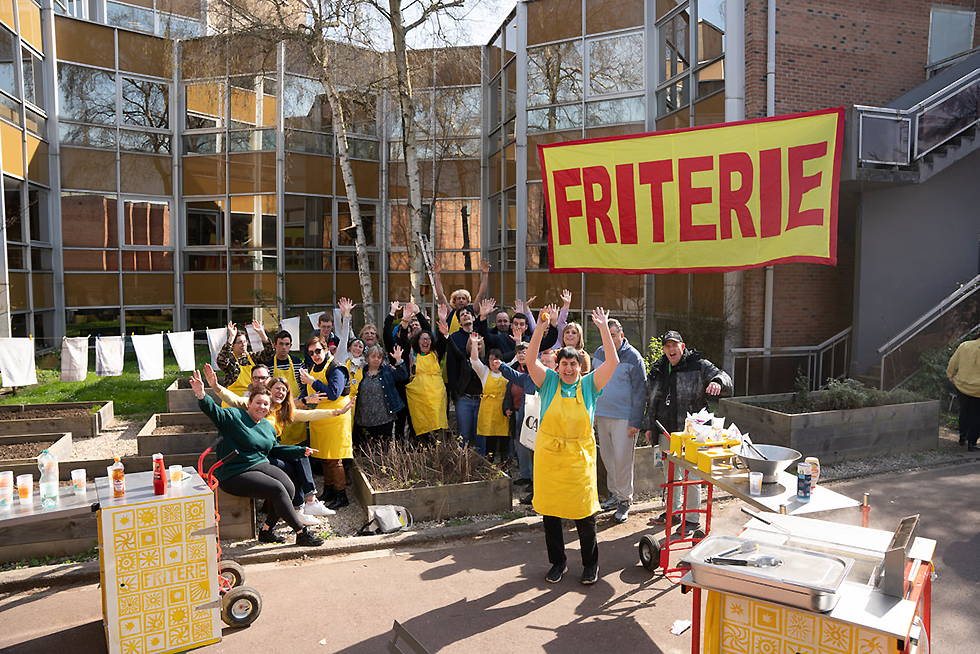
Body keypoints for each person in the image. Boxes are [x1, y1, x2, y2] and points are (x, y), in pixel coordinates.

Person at [525, 304, 619, 585]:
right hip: (550, 458)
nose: (568, 368)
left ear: (581, 366)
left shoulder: (590, 385)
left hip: (579, 459)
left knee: (584, 514)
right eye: (564, 363)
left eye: (573, 364)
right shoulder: (548, 382)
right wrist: (540, 328)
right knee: (551, 515)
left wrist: (603, 328)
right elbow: (530, 361)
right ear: (557, 365)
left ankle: (591, 564)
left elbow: (612, 363)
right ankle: (558, 563)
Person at [189, 371, 324, 547]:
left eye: (265, 404)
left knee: (289, 488)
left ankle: (266, 530)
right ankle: (301, 532)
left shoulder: (267, 426)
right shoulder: (233, 416)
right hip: (233, 471)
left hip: (259, 464)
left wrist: (300, 450)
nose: (262, 407)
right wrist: (201, 394)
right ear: (249, 402)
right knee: (277, 489)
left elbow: (273, 449)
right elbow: (213, 411)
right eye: (258, 402)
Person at [204, 365, 347, 521]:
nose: (280, 392)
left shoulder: (281, 410)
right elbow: (233, 399)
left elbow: (308, 414)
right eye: (277, 388)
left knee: (301, 454)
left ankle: (308, 502)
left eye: (284, 390)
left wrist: (335, 412)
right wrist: (215, 386)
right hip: (256, 453)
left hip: (272, 449)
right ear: (269, 389)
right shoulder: (257, 403)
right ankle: (299, 508)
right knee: (293, 466)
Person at [642, 331, 733, 535]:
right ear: (664, 349)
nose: (671, 349)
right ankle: (673, 512)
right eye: (667, 346)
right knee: (671, 474)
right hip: (666, 432)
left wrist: (717, 382)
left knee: (692, 476)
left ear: (682, 347)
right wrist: (649, 426)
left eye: (675, 345)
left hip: (693, 433)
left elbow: (725, 377)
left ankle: (692, 519)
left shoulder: (698, 365)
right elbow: (652, 400)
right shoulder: (658, 368)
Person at [592, 319, 648, 524]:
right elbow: (593, 382)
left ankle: (624, 500)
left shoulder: (633, 357)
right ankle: (614, 495)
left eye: (613, 335)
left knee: (623, 460)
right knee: (607, 458)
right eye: (606, 334)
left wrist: (636, 421)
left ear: (621, 336)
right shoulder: (598, 353)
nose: (610, 338)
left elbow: (640, 391)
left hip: (624, 418)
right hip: (602, 415)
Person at [300, 334, 353, 510]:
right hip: (320, 419)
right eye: (311, 352)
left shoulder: (336, 368)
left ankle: (341, 494)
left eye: (318, 351)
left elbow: (333, 393)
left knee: (334, 459)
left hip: (336, 419)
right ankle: (329, 491)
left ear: (326, 349)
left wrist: (312, 382)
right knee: (323, 458)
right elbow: (309, 393)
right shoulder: (313, 368)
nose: (315, 355)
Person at [254, 329, 307, 445]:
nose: (284, 347)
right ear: (275, 345)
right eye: (281, 344)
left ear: (291, 345)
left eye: (287, 344)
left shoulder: (298, 363)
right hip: (275, 411)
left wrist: (300, 401)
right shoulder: (268, 365)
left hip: (295, 408)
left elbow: (305, 385)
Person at [354, 345, 410, 449]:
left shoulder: (387, 370)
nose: (376, 359)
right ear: (367, 358)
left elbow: (403, 376)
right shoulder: (360, 372)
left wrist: (398, 360)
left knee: (384, 449)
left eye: (379, 357)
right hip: (364, 419)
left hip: (384, 418)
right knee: (366, 451)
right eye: (373, 356)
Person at [405, 316, 450, 442]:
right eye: (422, 339)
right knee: (419, 431)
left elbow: (443, 342)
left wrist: (442, 320)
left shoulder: (436, 354)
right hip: (418, 400)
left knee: (434, 431)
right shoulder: (411, 355)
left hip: (435, 399)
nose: (426, 341)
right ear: (417, 341)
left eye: (428, 339)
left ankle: (434, 456)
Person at [468, 333, 511, 464]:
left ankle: (505, 467)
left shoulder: (508, 370)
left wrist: (519, 340)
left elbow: (517, 358)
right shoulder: (485, 372)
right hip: (489, 413)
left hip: (504, 413)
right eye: (491, 359)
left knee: (505, 444)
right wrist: (474, 343)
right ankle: (489, 468)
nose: (493, 362)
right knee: (490, 444)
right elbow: (474, 361)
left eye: (496, 359)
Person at [216, 320, 275, 401]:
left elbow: (270, 353)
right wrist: (231, 338)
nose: (243, 344)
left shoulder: (252, 357)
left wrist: (262, 333)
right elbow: (221, 360)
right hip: (232, 401)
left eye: (245, 342)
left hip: (251, 401)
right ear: (232, 345)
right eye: (240, 342)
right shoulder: (230, 360)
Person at [947, 337, 980, 451]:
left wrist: (950, 375)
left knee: (964, 411)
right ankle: (972, 443)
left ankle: (962, 437)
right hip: (978, 390)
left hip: (962, 386)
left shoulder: (965, 345)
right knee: (976, 415)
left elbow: (953, 362)